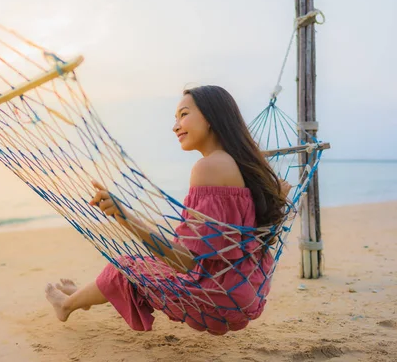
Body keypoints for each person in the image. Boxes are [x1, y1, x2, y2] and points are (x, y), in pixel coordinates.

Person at [45, 85, 291, 335]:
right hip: (247, 289)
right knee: (138, 267)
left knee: (125, 267)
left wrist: (123, 216)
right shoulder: (246, 165)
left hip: (217, 299)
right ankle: (82, 295)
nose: (175, 126)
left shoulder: (208, 167)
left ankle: (65, 305)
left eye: (183, 114)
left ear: (211, 117)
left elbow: (183, 262)